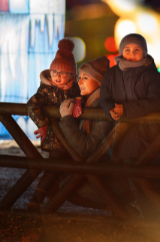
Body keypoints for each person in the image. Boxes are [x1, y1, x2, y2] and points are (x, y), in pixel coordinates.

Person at [100, 33, 160, 219]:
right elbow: (104, 98)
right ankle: (148, 218)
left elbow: (156, 101)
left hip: (150, 134)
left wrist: (127, 110)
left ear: (144, 53)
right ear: (121, 51)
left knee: (155, 172)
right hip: (125, 135)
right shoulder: (112, 74)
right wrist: (110, 110)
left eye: (137, 50)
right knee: (133, 175)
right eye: (127, 50)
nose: (132, 54)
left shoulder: (151, 74)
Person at [57, 56, 133, 211]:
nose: (79, 82)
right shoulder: (88, 103)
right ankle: (119, 209)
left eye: (85, 78)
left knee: (63, 188)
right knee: (59, 183)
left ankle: (120, 209)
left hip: (116, 180)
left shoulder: (104, 107)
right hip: (106, 175)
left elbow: (86, 148)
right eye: (79, 77)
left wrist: (66, 119)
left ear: (100, 82)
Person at [26, 39, 81, 211]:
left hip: (72, 138)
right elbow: (32, 104)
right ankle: (37, 200)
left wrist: (79, 101)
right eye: (54, 71)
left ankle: (51, 202)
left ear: (72, 75)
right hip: (55, 139)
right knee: (53, 169)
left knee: (62, 171)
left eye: (62, 73)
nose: (57, 76)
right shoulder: (46, 90)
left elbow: (83, 94)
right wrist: (42, 123)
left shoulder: (75, 89)